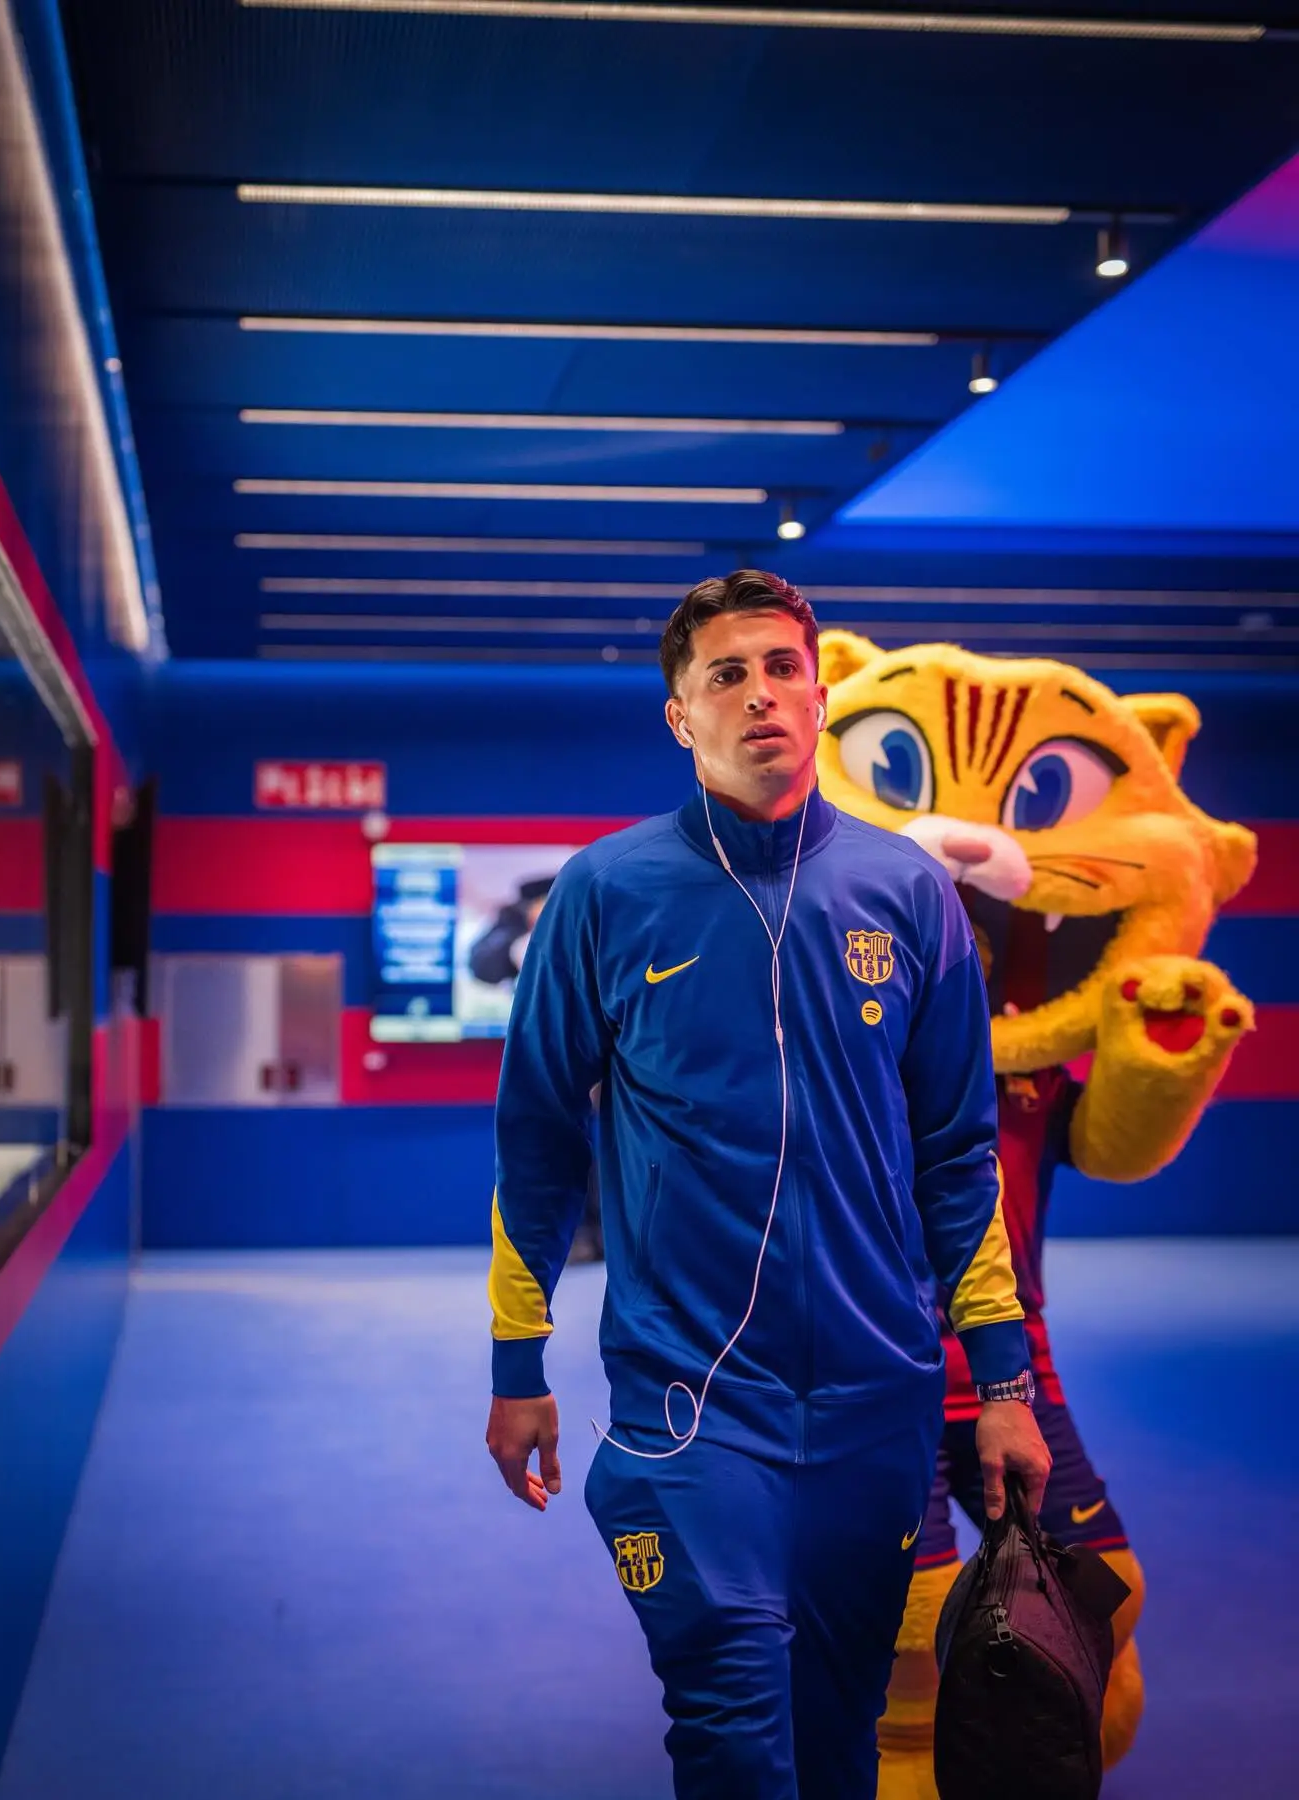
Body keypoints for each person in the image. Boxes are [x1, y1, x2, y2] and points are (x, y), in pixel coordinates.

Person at [485, 570, 1051, 1800]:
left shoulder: (908, 893)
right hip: (690, 1408)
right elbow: (537, 1140)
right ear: (679, 715)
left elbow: (959, 1155)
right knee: (735, 1733)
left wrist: (1003, 1383)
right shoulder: (605, 893)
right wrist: (516, 1362)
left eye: (782, 668)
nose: (760, 695)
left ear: (820, 694)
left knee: (842, 1736)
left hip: (877, 1404)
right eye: (726, 675)